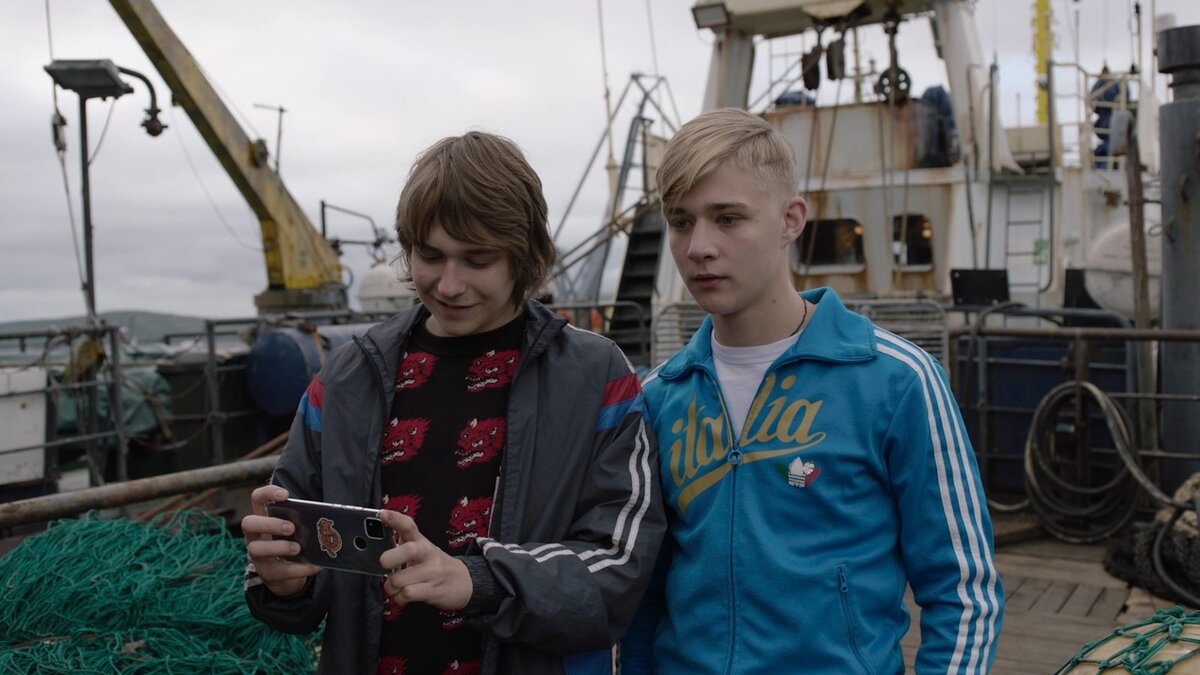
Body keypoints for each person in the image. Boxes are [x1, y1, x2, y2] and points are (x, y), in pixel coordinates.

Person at [241, 130, 665, 675]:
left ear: (524, 254)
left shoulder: (596, 376)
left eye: (477, 259)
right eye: (430, 255)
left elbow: (621, 566)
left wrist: (479, 581)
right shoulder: (347, 377)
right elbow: (303, 549)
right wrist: (284, 582)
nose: (448, 284)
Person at [619, 108, 1003, 673]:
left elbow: (964, 590)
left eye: (728, 219)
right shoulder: (659, 396)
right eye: (681, 222)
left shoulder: (896, 380)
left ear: (790, 220)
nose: (698, 246)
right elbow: (644, 593)